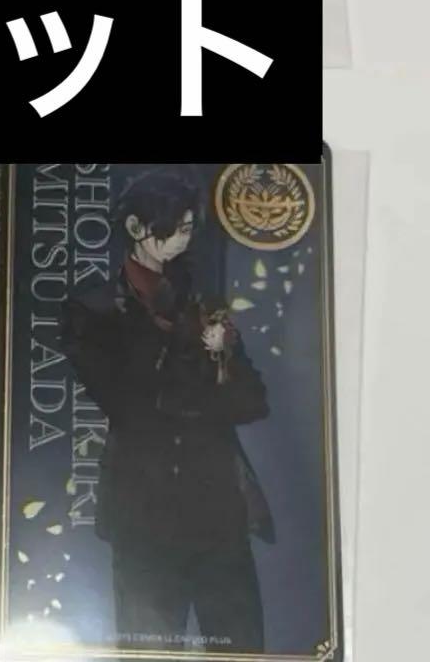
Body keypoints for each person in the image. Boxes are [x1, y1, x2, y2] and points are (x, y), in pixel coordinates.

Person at [63, 171, 272, 652]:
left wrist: (223, 355)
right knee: (149, 650)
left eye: (189, 229)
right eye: (175, 228)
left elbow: (253, 402)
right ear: (137, 228)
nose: (184, 239)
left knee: (242, 648)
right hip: (144, 517)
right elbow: (131, 403)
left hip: (219, 513)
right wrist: (188, 347)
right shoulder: (92, 310)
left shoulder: (203, 304)